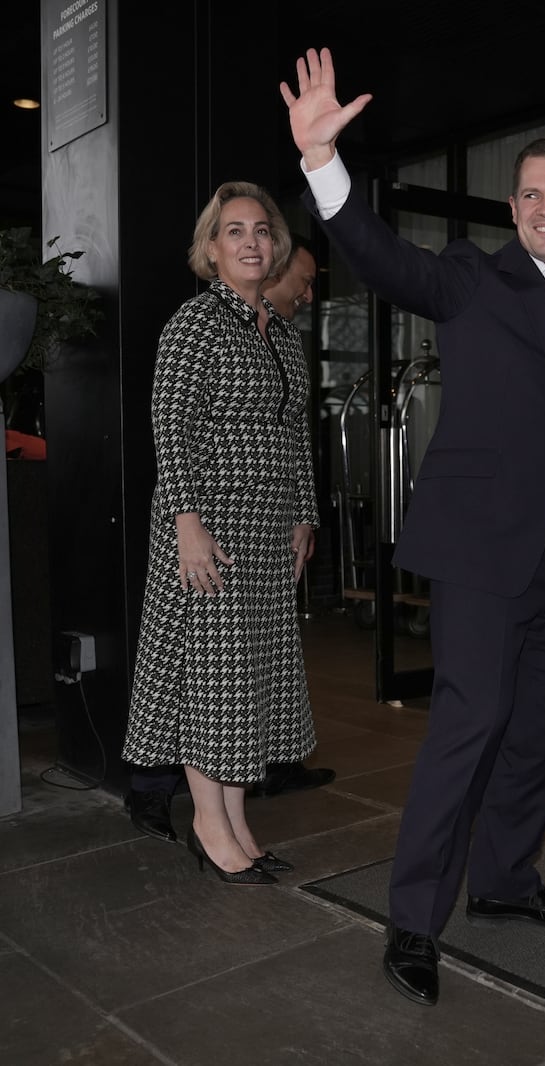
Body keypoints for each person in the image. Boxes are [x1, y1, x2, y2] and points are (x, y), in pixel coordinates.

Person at [280, 48, 545, 1001]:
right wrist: (322, 163)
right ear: (514, 210)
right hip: (481, 553)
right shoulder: (476, 280)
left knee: (539, 734)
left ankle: (507, 887)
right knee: (467, 730)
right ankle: (412, 922)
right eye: (530, 194)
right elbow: (383, 256)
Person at [121, 181, 321, 885]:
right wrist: (187, 524)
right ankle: (208, 826)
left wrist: (306, 514)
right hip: (210, 520)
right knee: (212, 680)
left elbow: (295, 430)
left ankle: (237, 822)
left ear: (277, 246)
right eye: (234, 231)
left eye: (262, 231)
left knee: (249, 678)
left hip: (269, 527)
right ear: (211, 248)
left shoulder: (282, 329)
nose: (250, 242)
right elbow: (169, 429)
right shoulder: (194, 324)